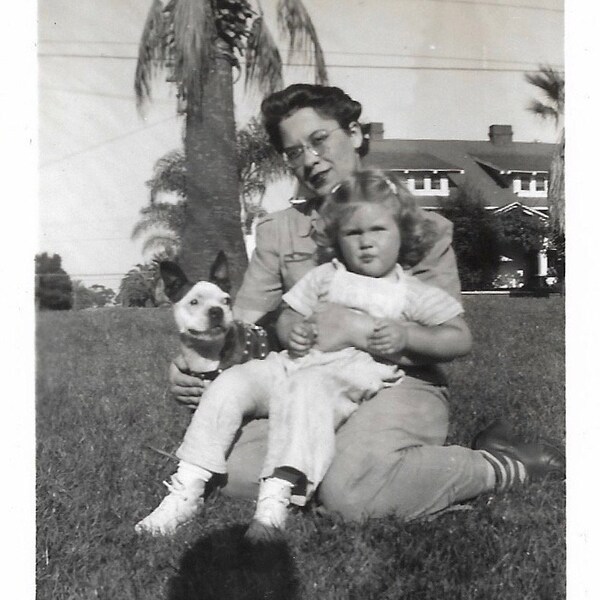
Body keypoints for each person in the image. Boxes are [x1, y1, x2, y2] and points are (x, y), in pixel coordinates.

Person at [168, 83, 565, 524]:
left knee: (351, 499)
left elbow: (448, 335)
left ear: (355, 133)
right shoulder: (279, 231)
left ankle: (496, 463)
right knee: (234, 476)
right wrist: (194, 360)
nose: (310, 159)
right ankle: (357, 467)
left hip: (399, 381)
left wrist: (356, 330)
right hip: (310, 382)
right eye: (294, 151)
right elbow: (244, 325)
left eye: (319, 140)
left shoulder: (421, 228)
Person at [135, 169, 470, 538]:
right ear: (337, 240)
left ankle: (273, 504)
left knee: (305, 390)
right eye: (353, 233)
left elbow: (457, 337)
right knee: (232, 383)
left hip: (350, 372)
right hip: (294, 362)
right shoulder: (325, 276)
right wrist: (292, 329)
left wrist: (407, 336)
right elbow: (291, 313)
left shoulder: (411, 292)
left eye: (378, 230)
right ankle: (187, 487)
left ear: (402, 232)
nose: (366, 243)